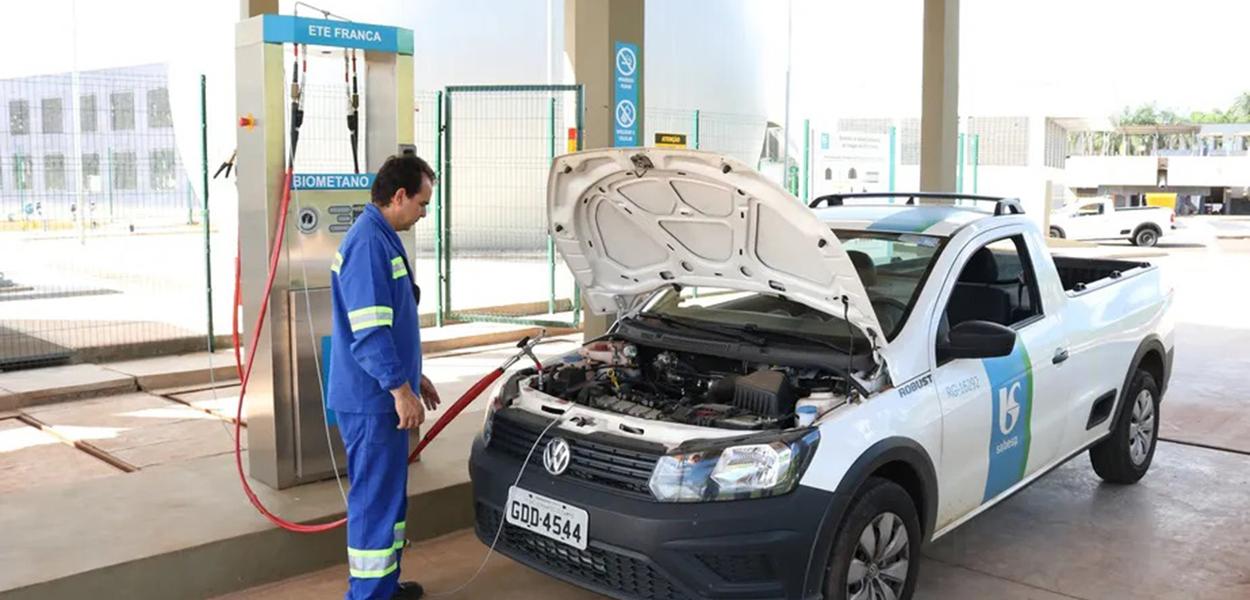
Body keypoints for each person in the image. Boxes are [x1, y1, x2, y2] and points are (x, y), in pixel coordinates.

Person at [327, 154, 441, 600]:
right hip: (373, 400)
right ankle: (370, 596)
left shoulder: (381, 237)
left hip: (382, 394)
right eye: (422, 202)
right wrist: (399, 389)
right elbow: (371, 332)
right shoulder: (369, 245)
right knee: (375, 502)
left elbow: (391, 325)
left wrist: (415, 377)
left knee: (387, 500)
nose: (424, 212)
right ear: (399, 196)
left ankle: (382, 587)